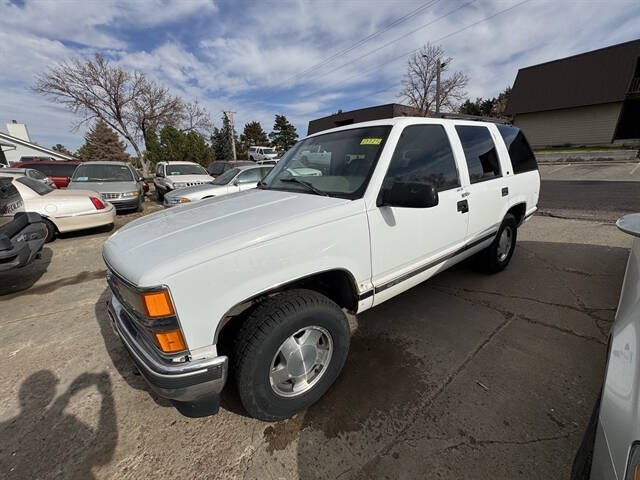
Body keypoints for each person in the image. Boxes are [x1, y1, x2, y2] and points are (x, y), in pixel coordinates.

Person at [0, 370, 117, 479]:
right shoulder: (69, 423)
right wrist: (107, 396)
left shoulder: (4, 432)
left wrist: (67, 396)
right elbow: (104, 455)